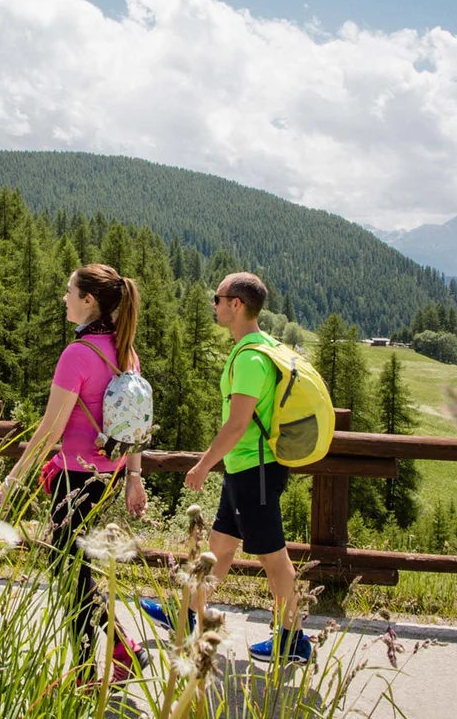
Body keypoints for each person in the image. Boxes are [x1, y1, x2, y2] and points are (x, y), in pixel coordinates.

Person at [140, 271, 314, 664]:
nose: (214, 305)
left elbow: (238, 423)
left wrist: (203, 465)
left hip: (256, 470)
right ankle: (183, 616)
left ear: (236, 305)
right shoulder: (260, 346)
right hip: (246, 470)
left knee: (273, 557)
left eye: (217, 299)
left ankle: (294, 639)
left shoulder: (252, 358)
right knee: (218, 549)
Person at [0, 263, 149, 683]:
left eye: (69, 291)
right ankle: (118, 650)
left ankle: (92, 666)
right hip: (109, 473)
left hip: (75, 477)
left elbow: (48, 431)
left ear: (89, 300)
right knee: (71, 561)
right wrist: (133, 477)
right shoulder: (125, 349)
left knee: (65, 564)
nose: (64, 297)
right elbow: (133, 425)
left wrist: (12, 480)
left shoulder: (77, 354)